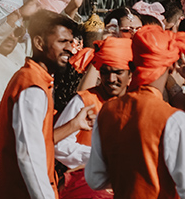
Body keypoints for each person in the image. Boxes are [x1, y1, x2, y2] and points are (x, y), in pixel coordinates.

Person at [86, 25, 185, 198]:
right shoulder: (173, 119)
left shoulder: (107, 111)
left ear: (132, 67)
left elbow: (95, 179)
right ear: (171, 67)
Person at [0, 10, 97, 199]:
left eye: (70, 42)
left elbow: (39, 142)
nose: (69, 48)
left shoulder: (38, 80)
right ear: (39, 43)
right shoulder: (32, 85)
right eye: (62, 42)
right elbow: (29, 155)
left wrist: (74, 124)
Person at [54, 36, 132, 199]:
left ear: (130, 74)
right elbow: (59, 145)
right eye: (105, 72)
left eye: (118, 73)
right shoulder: (85, 100)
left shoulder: (138, 103)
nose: (111, 79)